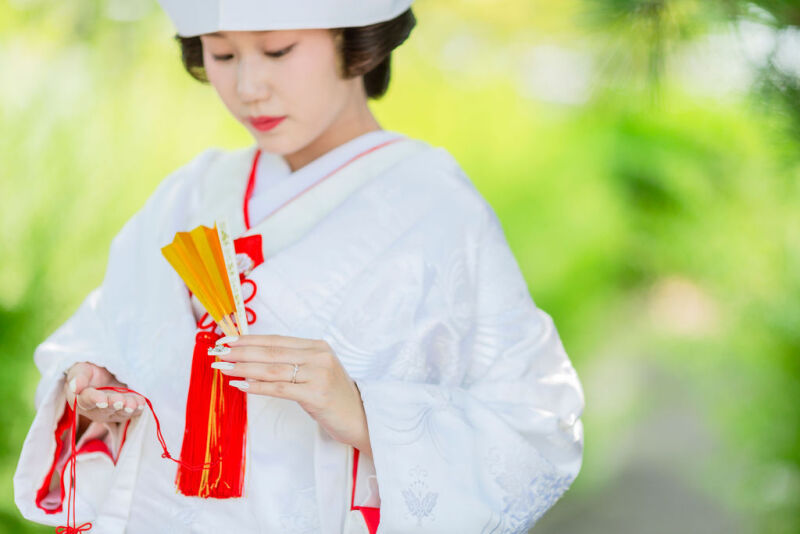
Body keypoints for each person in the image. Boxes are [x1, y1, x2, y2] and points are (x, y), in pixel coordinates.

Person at [13, 1, 585, 532]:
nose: (248, 87)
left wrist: (364, 412)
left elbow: (537, 425)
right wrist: (97, 379)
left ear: (355, 41)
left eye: (278, 50)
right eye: (223, 53)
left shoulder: (437, 209)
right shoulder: (189, 194)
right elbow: (103, 329)